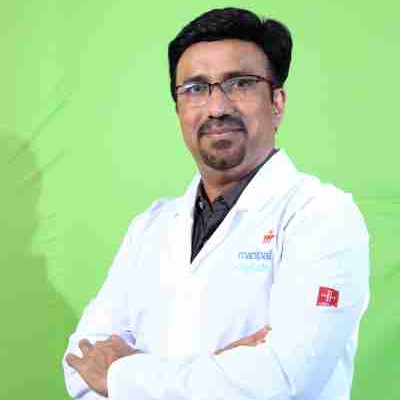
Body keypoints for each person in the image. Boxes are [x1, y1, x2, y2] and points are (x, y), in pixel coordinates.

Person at [63, 7, 370, 400]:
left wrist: (123, 376)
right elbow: (79, 367)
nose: (217, 107)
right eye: (195, 88)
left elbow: (284, 377)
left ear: (277, 102)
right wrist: (220, 367)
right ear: (178, 109)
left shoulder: (322, 216)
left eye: (239, 83)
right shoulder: (150, 227)